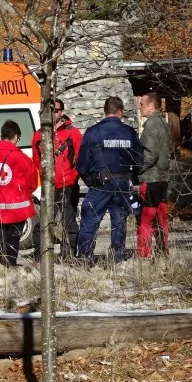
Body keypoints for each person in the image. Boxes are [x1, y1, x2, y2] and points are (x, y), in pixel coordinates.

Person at [76, 96, 143, 262]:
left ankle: (85, 257)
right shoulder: (129, 132)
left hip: (101, 183)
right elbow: (139, 161)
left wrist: (91, 181)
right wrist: (131, 179)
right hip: (123, 183)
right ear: (120, 111)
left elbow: (82, 163)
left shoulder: (93, 132)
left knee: (90, 219)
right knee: (119, 220)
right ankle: (117, 256)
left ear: (105, 111)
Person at [30, 99, 83, 260]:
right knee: (44, 222)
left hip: (68, 183)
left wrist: (73, 176)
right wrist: (45, 178)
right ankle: (41, 255)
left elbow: (80, 157)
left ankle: (69, 254)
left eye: (57, 110)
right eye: (51, 110)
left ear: (62, 112)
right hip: (49, 184)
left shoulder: (72, 133)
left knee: (69, 222)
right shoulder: (39, 134)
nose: (54, 113)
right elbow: (36, 160)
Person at [0, 120, 38, 267]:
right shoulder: (21, 157)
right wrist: (25, 192)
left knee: (0, 234)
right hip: (18, 205)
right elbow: (32, 180)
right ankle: (10, 264)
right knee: (13, 236)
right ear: (15, 136)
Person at [137, 92, 171, 259]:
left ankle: (144, 254)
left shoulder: (151, 125)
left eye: (142, 104)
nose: (139, 107)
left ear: (151, 106)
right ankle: (163, 251)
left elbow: (150, 154)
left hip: (151, 178)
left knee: (145, 219)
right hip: (163, 177)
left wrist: (136, 170)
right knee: (161, 217)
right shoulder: (163, 122)